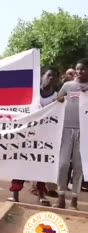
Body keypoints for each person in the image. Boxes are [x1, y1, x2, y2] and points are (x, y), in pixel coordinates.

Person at [8, 68, 59, 206]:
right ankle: (15, 193)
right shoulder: (32, 92)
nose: (51, 78)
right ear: (42, 76)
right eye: (49, 75)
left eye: (54, 76)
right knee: (21, 162)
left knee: (41, 164)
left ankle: (41, 194)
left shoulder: (56, 96)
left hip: (45, 136)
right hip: (27, 135)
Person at [55, 58, 88, 210]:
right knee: (62, 165)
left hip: (84, 132)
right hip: (66, 129)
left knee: (78, 166)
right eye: (78, 69)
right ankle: (60, 196)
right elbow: (57, 100)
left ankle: (74, 199)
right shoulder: (68, 85)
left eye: (83, 69)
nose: (80, 71)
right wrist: (60, 99)